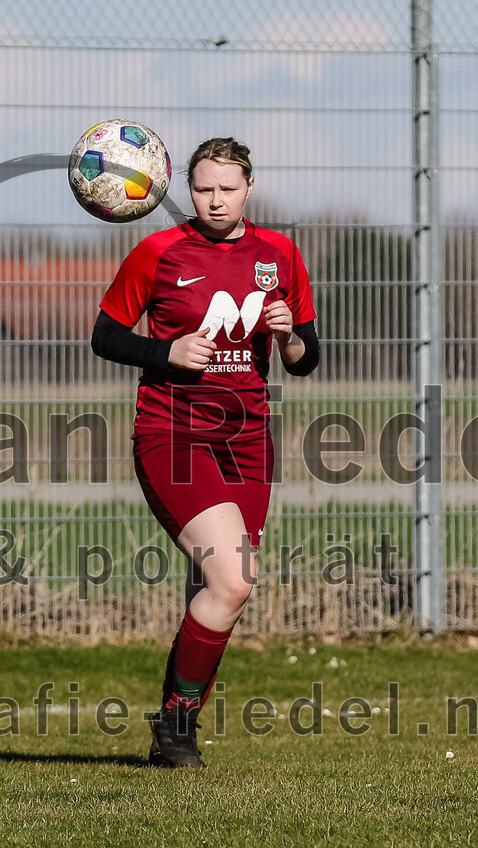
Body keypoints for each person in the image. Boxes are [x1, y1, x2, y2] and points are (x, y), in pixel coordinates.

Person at [90, 137, 319, 767]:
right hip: (172, 433)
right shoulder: (159, 251)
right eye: (203, 189)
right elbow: (105, 336)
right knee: (233, 580)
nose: (215, 200)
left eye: (227, 188)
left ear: (250, 188)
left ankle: (175, 730)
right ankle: (176, 726)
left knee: (215, 589)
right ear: (187, 189)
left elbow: (305, 358)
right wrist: (164, 352)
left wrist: (288, 339)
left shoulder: (280, 253)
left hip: (247, 442)